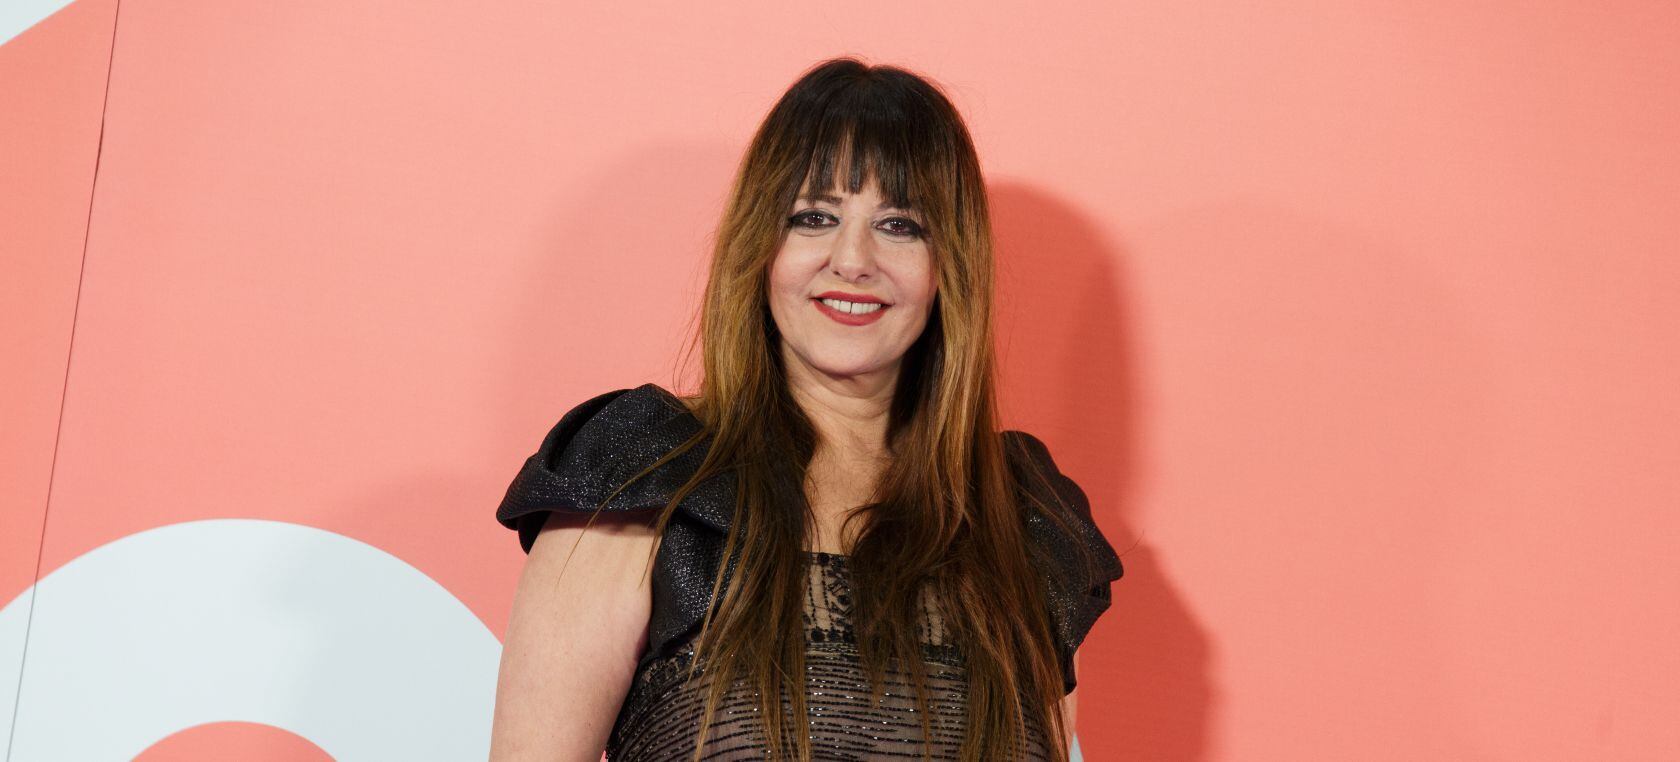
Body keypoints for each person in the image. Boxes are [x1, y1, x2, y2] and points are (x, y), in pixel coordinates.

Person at [488, 57, 1123, 762]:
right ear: (761, 246)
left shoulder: (1023, 520)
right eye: (814, 218)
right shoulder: (644, 474)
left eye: (900, 225)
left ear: (950, 265)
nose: (853, 260)